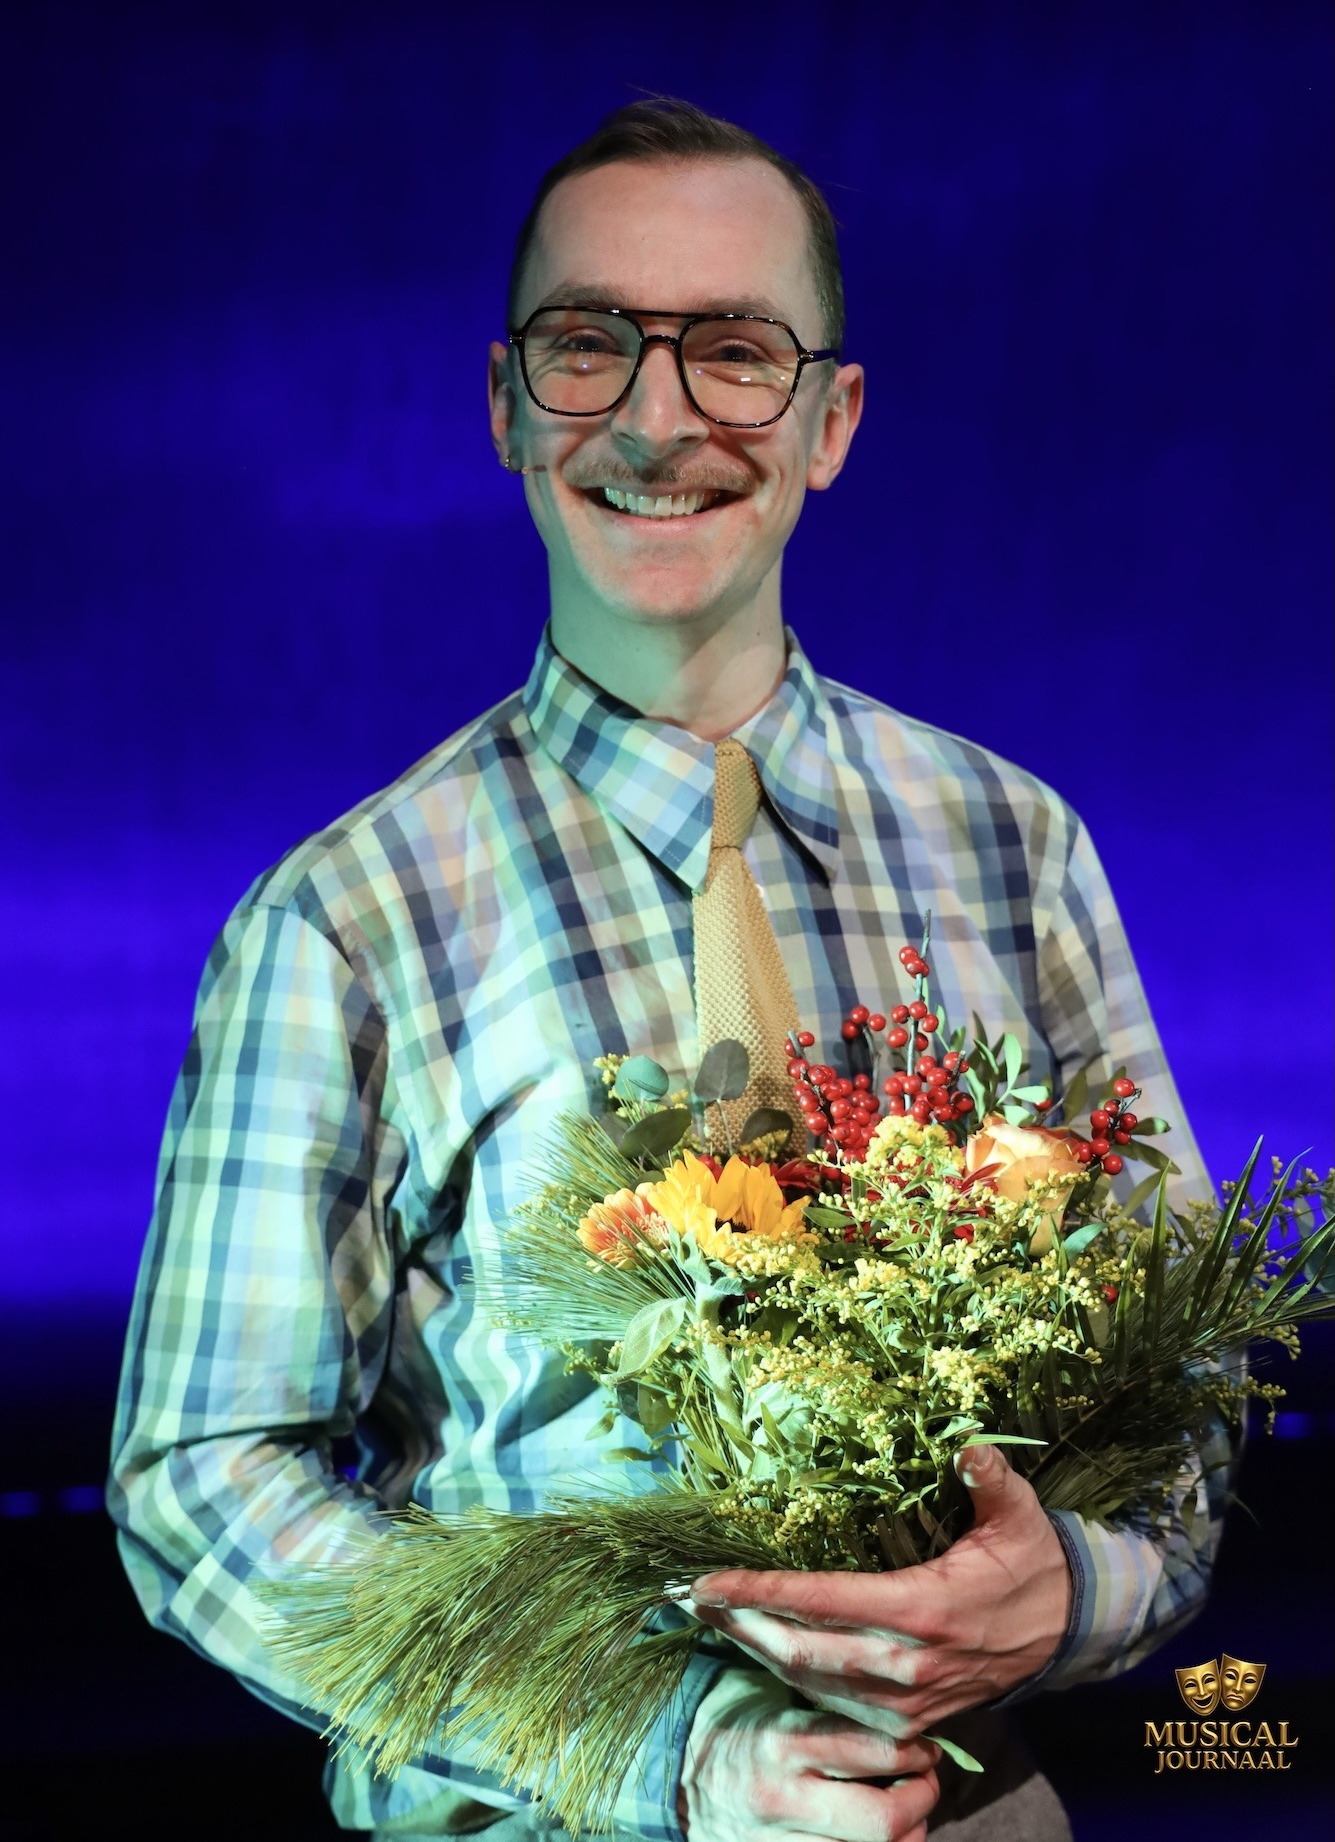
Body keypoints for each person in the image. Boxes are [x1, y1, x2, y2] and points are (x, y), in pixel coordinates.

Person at [110, 98, 1233, 1842]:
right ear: (505, 405)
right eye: (587, 345)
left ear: (832, 421)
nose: (655, 416)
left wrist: (1072, 1591)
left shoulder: (1014, 848)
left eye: (735, 352)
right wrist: (669, 1751)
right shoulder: (346, 918)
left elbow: (1187, 1378)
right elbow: (200, 1483)